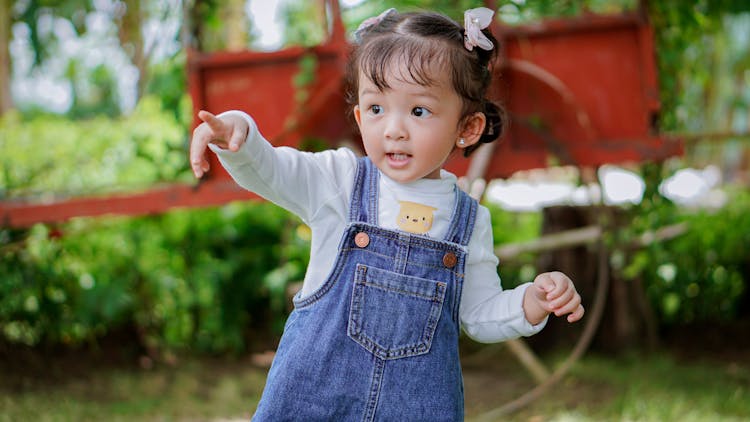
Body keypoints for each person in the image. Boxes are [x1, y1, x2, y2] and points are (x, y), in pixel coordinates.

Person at [190, 7, 584, 421]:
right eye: (377, 109)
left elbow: (479, 314)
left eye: (418, 111)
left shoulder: (468, 221)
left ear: (467, 128)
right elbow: (273, 170)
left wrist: (530, 302)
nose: (394, 129)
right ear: (359, 117)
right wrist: (240, 133)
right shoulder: (339, 181)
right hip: (315, 400)